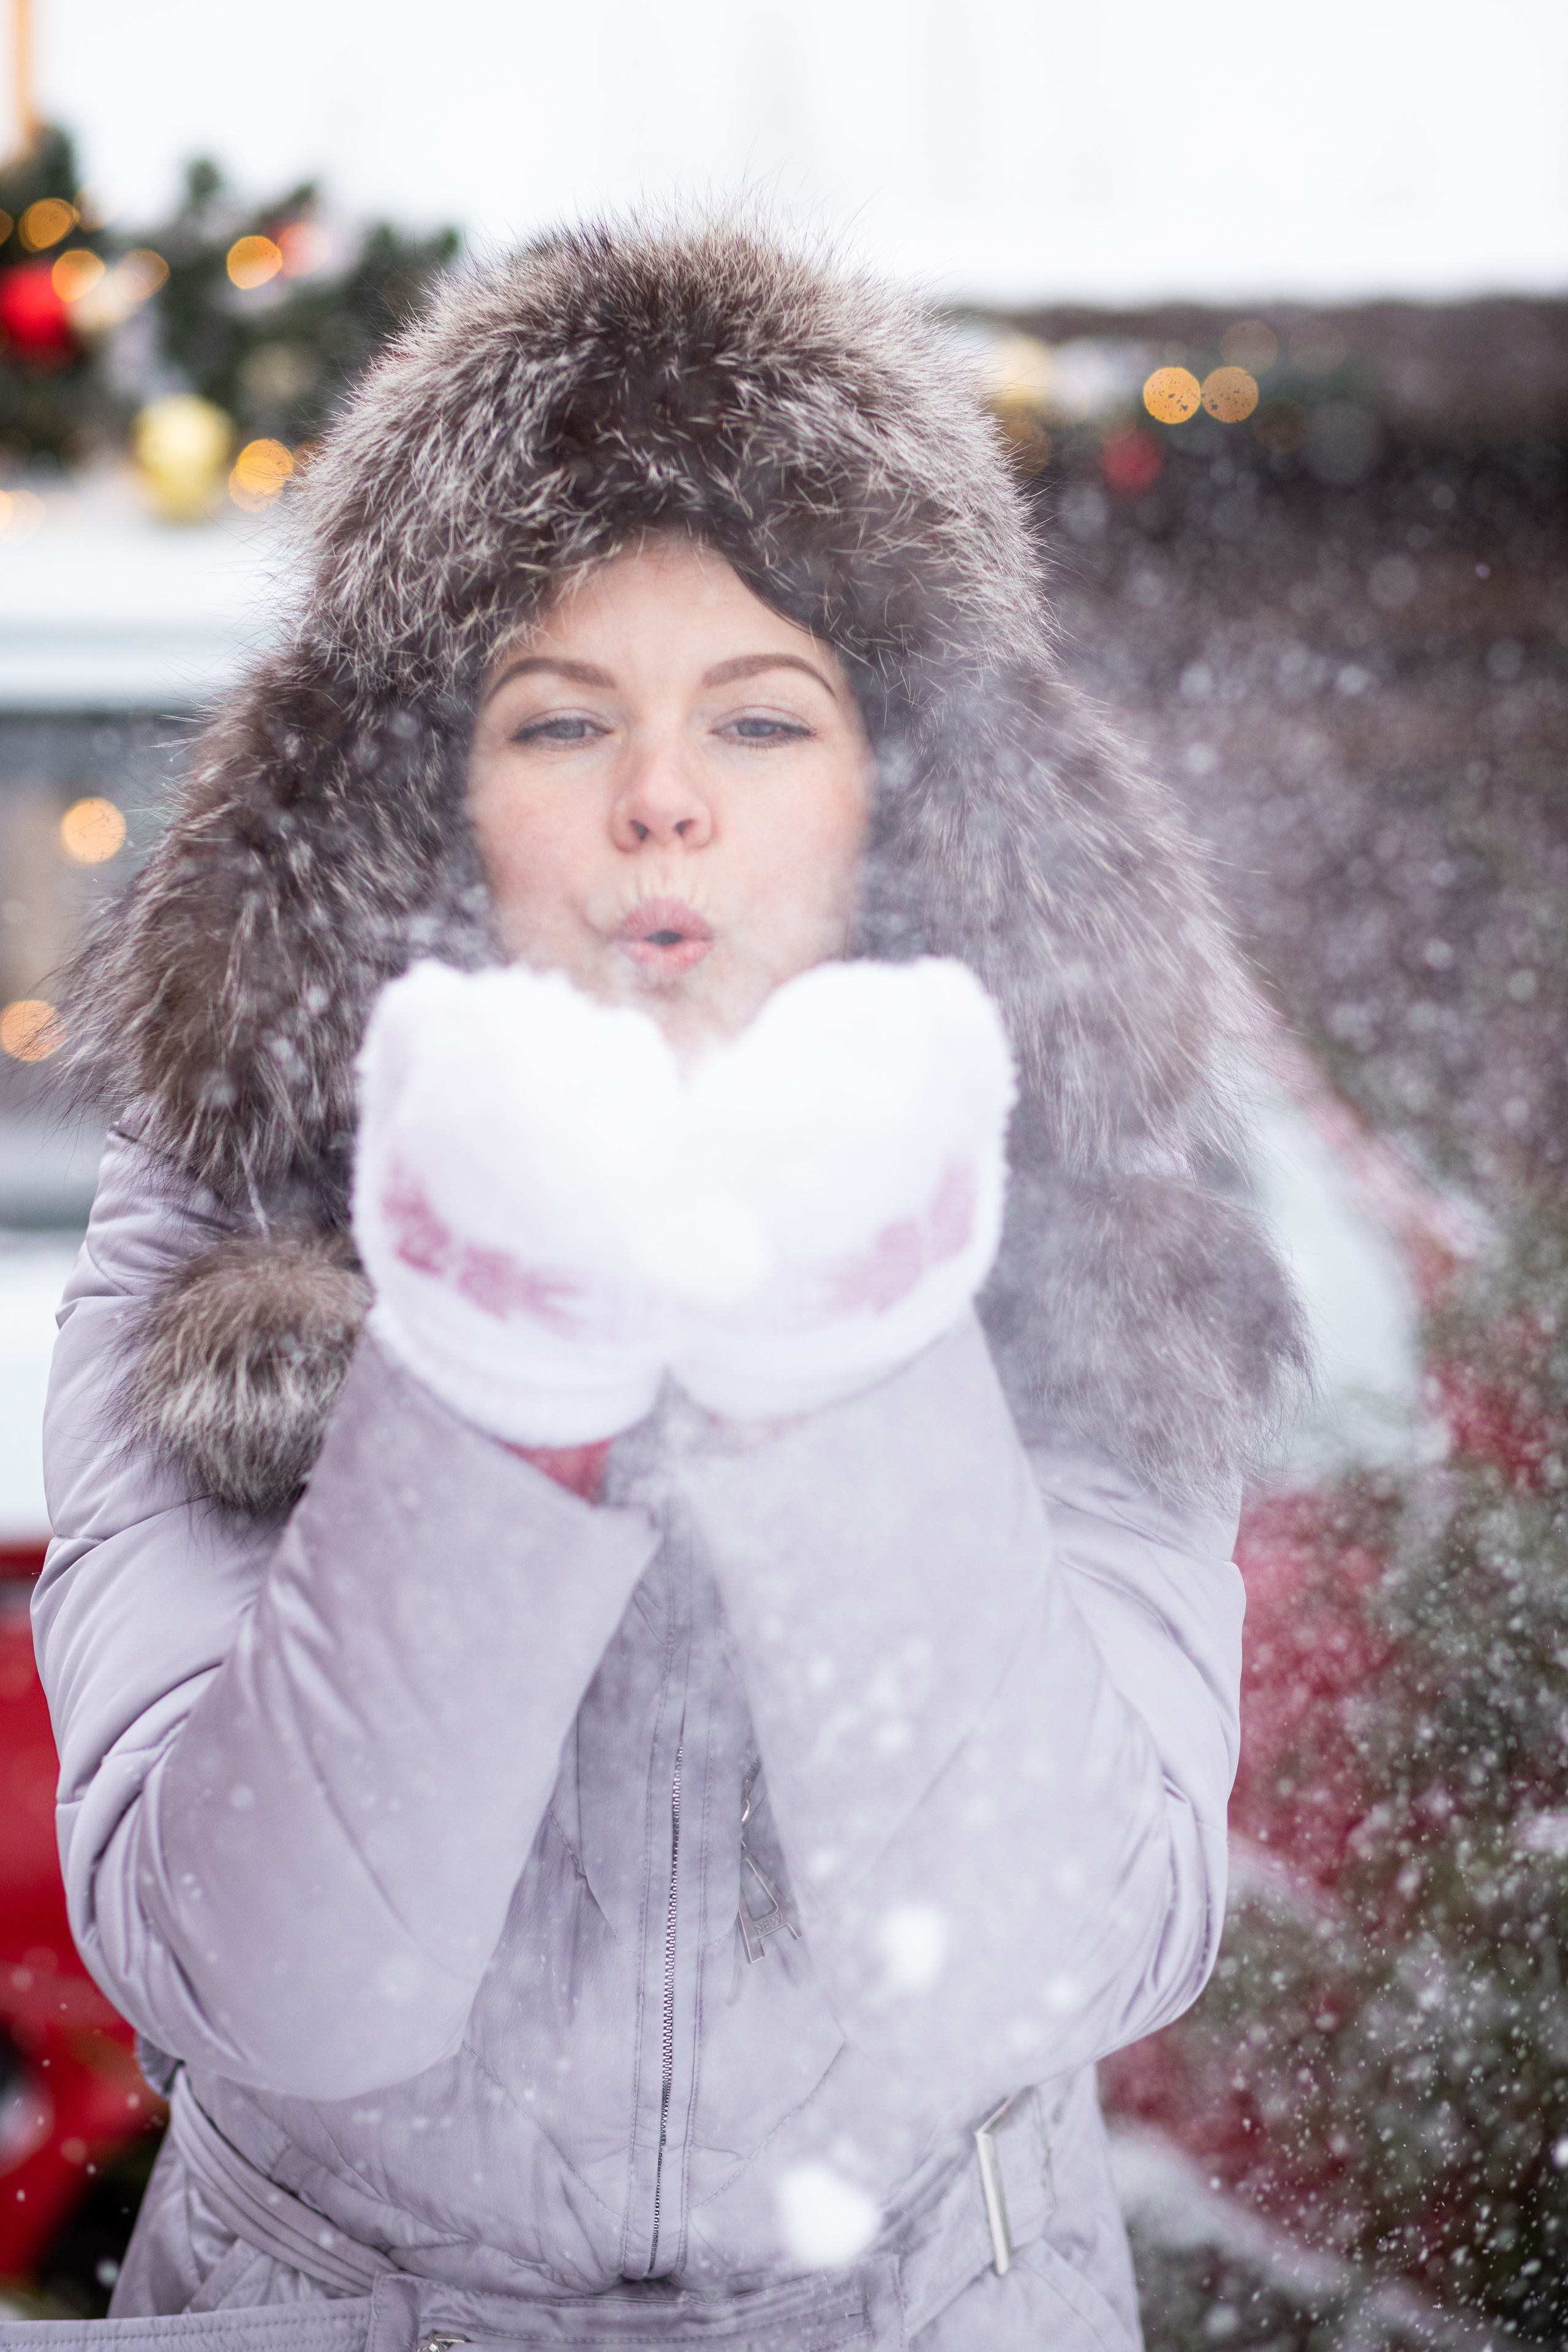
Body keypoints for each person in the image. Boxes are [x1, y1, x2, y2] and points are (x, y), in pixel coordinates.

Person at [27, 221, 1308, 2352]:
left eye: (762, 719)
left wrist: (843, 1333)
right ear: (427, 796)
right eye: (559, 721)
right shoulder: (222, 1214)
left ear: (904, 792)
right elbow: (266, 1977)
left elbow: (1059, 1953)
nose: (660, 805)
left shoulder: (1091, 1222)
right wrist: (494, 1370)